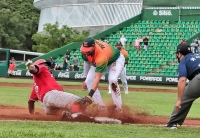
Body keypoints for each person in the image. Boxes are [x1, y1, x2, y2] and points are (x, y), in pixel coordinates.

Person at [75, 37, 125, 117]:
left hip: (115, 60)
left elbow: (97, 79)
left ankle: (118, 109)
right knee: (88, 81)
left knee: (112, 80)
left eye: (88, 50)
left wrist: (89, 96)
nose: (86, 52)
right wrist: (84, 78)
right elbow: (87, 62)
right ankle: (102, 109)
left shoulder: (101, 55)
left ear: (94, 47)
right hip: (102, 59)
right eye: (84, 49)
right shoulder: (85, 51)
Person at [165, 44, 200, 129]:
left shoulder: (184, 60)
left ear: (179, 54)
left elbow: (182, 80)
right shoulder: (198, 55)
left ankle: (172, 123)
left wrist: (179, 100)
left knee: (185, 98)